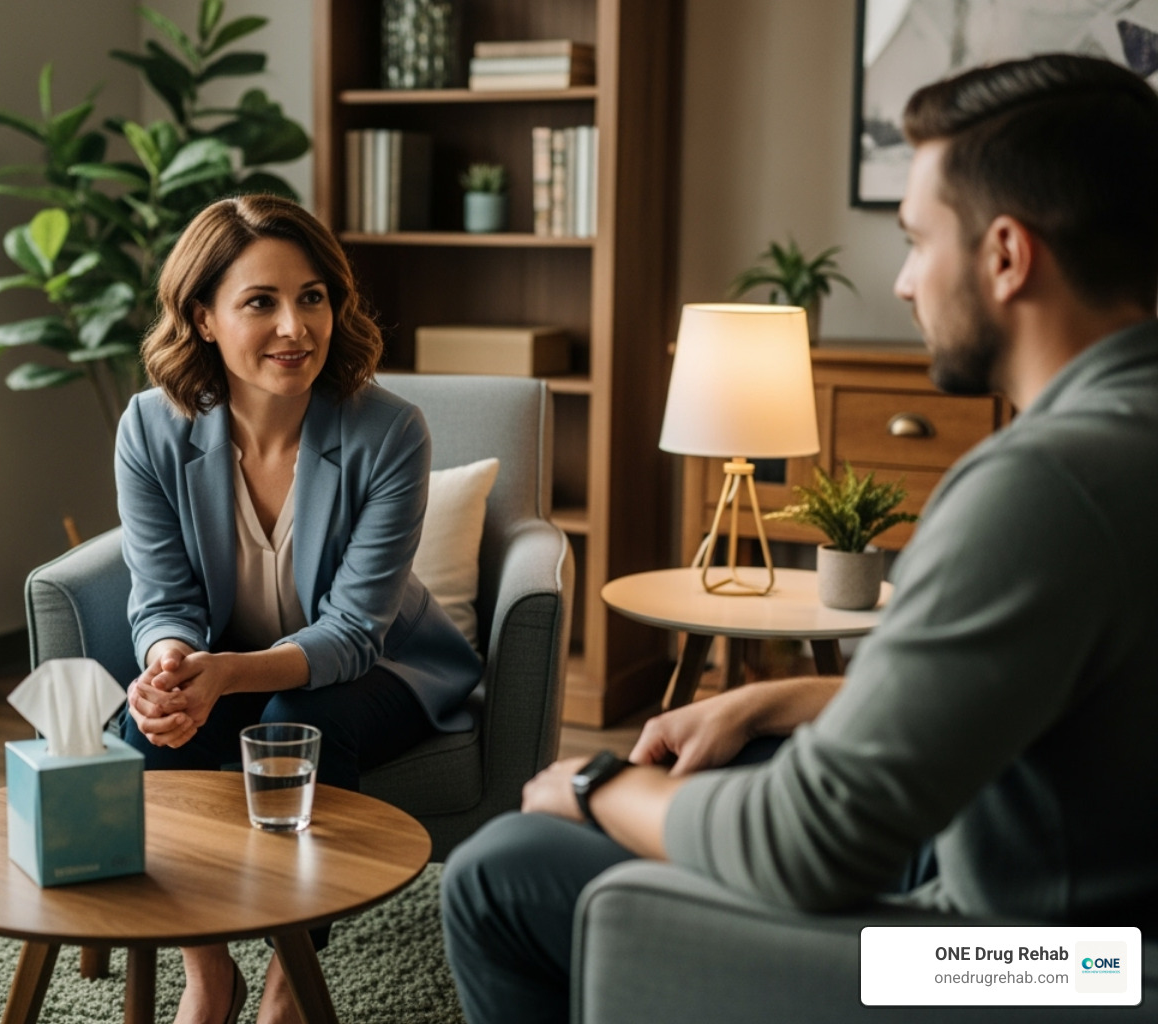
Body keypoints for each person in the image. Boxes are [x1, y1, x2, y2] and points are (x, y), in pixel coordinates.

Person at [441, 52, 1158, 1024]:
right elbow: (1081, 700)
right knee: (722, 762)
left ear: (1005, 254)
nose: (904, 284)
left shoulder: (1046, 482)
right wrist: (796, 695)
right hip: (1101, 908)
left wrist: (601, 781)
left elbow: (808, 842)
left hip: (1044, 968)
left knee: (504, 869)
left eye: (914, 241)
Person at [116, 194, 482, 1024]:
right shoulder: (149, 428)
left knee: (293, 721)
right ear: (204, 318)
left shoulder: (390, 431)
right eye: (261, 302)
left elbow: (356, 632)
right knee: (142, 728)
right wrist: (169, 665)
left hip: (384, 668)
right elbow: (162, 596)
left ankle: (289, 982)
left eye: (312, 296)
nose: (295, 326)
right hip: (226, 662)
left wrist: (227, 676)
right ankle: (208, 973)